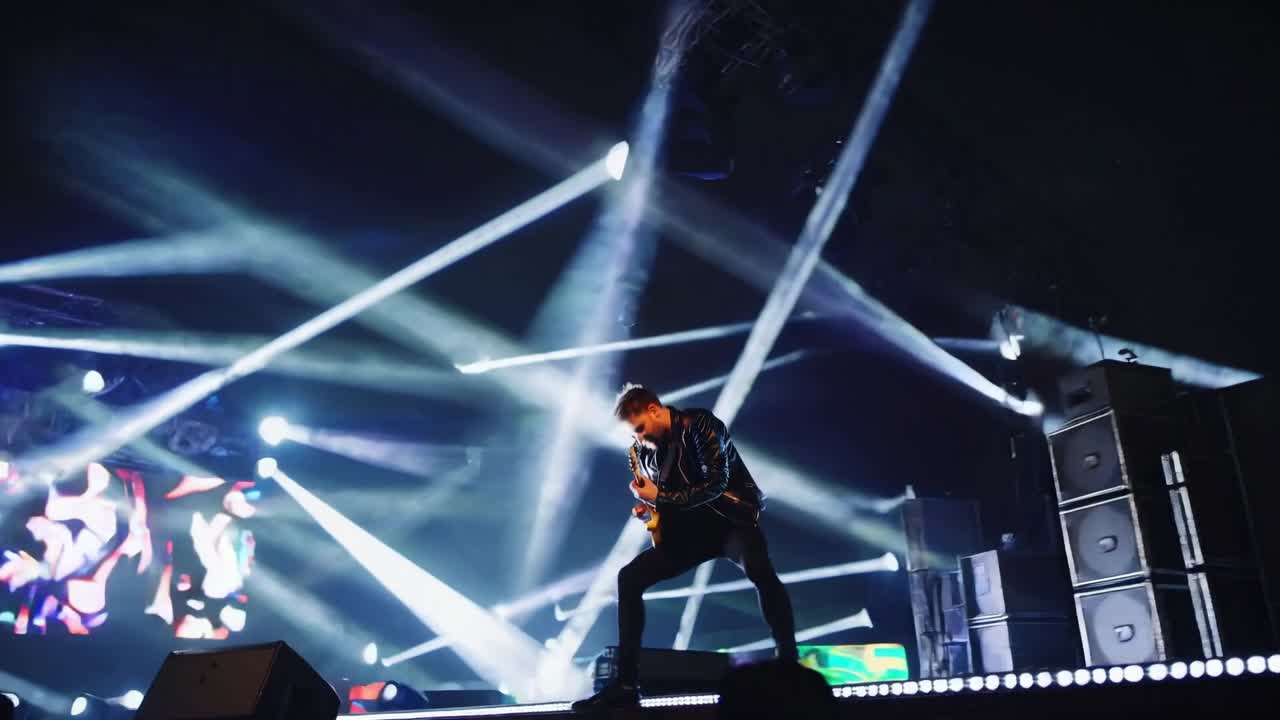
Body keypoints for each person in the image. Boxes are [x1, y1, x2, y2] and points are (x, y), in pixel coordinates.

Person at [572, 385, 797, 713]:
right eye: (631, 435)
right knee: (629, 579)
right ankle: (626, 685)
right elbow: (656, 496)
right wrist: (649, 511)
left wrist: (659, 499)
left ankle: (788, 660)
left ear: (654, 410)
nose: (638, 439)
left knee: (760, 571)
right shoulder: (639, 452)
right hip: (689, 534)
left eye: (640, 429)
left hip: (729, 519)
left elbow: (716, 483)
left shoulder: (699, 425)